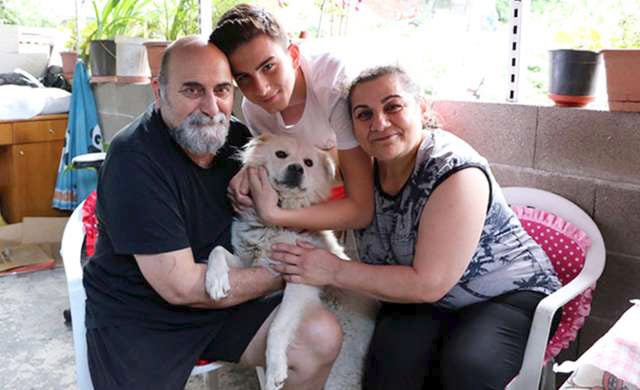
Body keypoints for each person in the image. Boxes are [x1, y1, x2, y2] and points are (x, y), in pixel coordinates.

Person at [268, 66, 563, 390]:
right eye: (364, 114)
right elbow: (290, 172)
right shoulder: (363, 168)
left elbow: (429, 284)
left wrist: (334, 270)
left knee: (467, 368)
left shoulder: (454, 170)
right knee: (389, 367)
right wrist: (247, 183)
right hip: (423, 300)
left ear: (421, 108)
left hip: (504, 296)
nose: (379, 123)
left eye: (392, 106)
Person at [82, 36, 342, 390]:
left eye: (222, 90)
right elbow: (182, 288)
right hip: (144, 314)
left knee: (320, 336)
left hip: (225, 300)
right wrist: (287, 270)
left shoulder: (234, 137)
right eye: (192, 90)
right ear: (158, 91)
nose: (211, 107)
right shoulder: (134, 159)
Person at [209, 4, 374, 231]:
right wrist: (248, 174)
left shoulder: (332, 82)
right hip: (306, 205)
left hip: (365, 198)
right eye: (244, 78)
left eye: (268, 66)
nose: (262, 88)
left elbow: (361, 208)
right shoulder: (255, 108)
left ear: (294, 56)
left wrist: (273, 215)